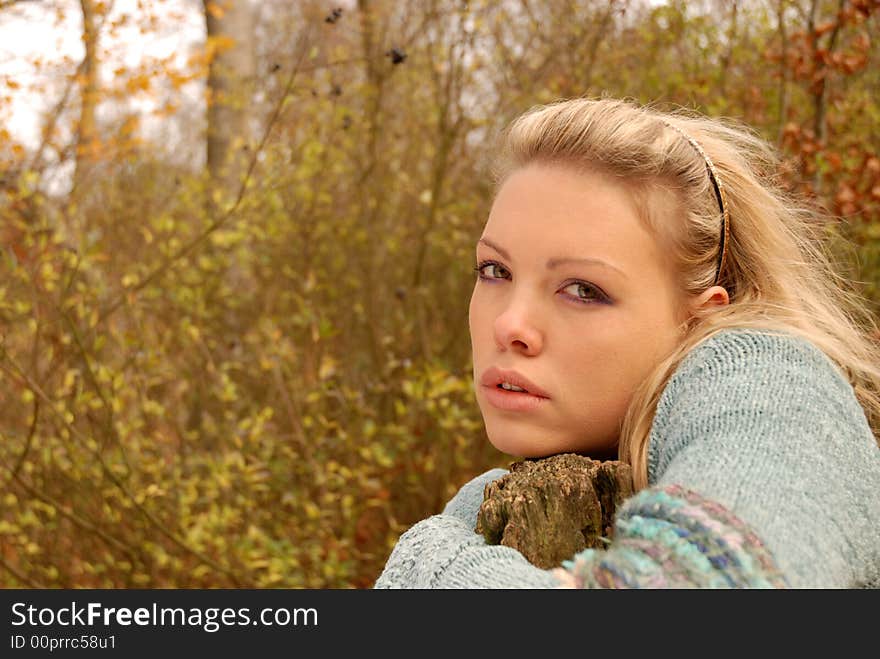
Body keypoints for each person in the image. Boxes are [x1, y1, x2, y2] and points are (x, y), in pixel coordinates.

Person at [374, 96, 880, 589]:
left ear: (699, 319)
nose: (510, 325)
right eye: (495, 270)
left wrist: (435, 565)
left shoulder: (774, 387)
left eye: (582, 290)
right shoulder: (487, 507)